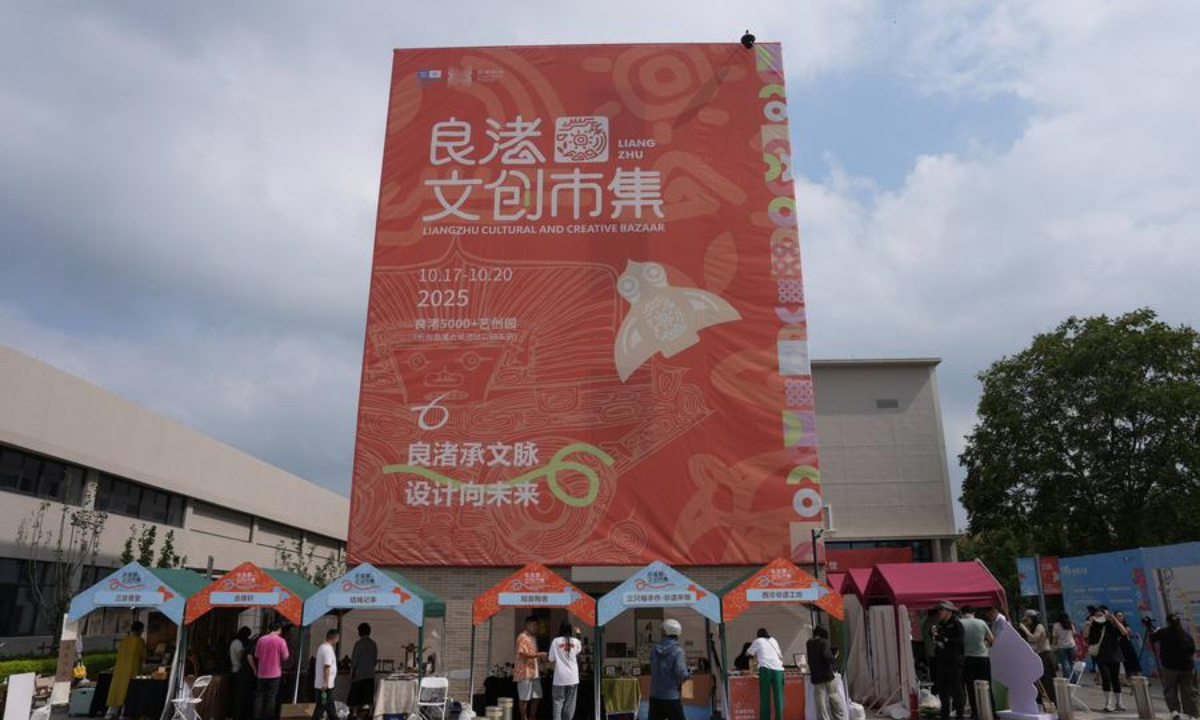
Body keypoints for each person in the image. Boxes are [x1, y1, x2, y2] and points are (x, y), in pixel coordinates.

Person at [1150, 613, 1198, 720]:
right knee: (1189, 691)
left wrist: (1153, 630)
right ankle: (1192, 714)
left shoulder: (1163, 632)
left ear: (1167, 622)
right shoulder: (1186, 635)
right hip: (1187, 668)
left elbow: (1152, 638)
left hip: (1170, 668)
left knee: (1170, 689)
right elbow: (1192, 650)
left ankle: (1175, 712)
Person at [1087, 606, 1129, 712]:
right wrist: (1088, 625)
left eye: (1101, 614)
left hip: (1114, 655)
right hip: (1101, 656)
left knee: (1115, 678)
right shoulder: (1094, 626)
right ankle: (1108, 702)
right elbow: (1085, 635)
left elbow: (1124, 632)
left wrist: (1113, 618)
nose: (1098, 617)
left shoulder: (1112, 624)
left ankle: (1119, 702)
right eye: (1096, 615)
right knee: (1106, 678)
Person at [649, 619, 690, 720]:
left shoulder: (654, 649)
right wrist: (688, 673)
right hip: (671, 696)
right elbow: (680, 673)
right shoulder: (678, 651)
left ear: (665, 631)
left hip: (655, 695)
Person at [106, 620, 147, 718]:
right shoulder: (139, 641)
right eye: (142, 630)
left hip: (119, 671)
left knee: (117, 691)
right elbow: (144, 655)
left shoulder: (123, 641)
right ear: (140, 630)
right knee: (128, 692)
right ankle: (124, 714)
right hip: (131, 671)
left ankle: (111, 713)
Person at [932, 600, 965, 720]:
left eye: (942, 609)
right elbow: (938, 641)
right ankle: (944, 715)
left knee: (956, 690)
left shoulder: (956, 624)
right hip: (942, 661)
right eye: (939, 609)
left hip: (954, 661)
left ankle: (960, 715)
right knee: (942, 690)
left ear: (949, 611)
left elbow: (960, 641)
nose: (940, 612)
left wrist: (945, 639)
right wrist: (935, 637)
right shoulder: (940, 624)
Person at [251, 620, 291, 720]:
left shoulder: (261, 640)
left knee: (259, 696)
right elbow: (286, 656)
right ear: (279, 629)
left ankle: (256, 716)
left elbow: (257, 655)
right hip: (275, 673)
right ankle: (268, 717)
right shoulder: (281, 641)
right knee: (271, 697)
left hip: (261, 673)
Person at [959, 608, 994, 720]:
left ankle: (975, 713)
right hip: (982, 658)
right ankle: (991, 711)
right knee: (987, 685)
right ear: (973, 613)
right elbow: (991, 639)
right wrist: (984, 644)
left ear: (962, 613)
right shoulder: (981, 622)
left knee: (970, 687)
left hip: (966, 659)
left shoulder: (959, 623)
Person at [1018, 610, 1056, 708]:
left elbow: (1034, 638)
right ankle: (1042, 703)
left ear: (1032, 618)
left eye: (1027, 620)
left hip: (1046, 656)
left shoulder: (1039, 626)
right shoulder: (1032, 628)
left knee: (1047, 681)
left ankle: (1052, 703)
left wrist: (1024, 629)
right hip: (1039, 656)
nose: (1026, 623)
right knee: (1040, 681)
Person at [807, 627, 845, 720]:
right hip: (827, 675)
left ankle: (824, 718)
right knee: (833, 696)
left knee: (820, 700)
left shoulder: (809, 643)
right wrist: (834, 656)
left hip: (816, 676)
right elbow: (827, 657)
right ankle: (839, 717)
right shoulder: (824, 642)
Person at [548, 622, 582, 720]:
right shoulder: (575, 641)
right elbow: (579, 650)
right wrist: (579, 634)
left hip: (559, 678)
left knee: (558, 702)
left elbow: (550, 658)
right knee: (570, 703)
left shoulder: (555, 641)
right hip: (573, 678)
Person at [515, 616, 547, 720]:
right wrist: (540, 654)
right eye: (534, 625)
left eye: (537, 625)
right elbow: (523, 654)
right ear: (528, 624)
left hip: (535, 672)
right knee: (524, 698)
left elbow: (534, 654)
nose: (536, 627)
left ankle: (532, 717)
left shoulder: (533, 638)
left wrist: (541, 660)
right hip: (525, 672)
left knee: (537, 696)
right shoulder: (522, 637)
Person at [749, 628, 785, 720]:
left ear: (758, 635)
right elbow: (780, 655)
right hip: (778, 670)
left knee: (765, 697)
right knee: (779, 697)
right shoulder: (774, 640)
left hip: (766, 669)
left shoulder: (758, 640)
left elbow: (748, 653)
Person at [349, 623, 379, 710]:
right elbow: (374, 660)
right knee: (369, 698)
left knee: (355, 697)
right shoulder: (373, 644)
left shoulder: (358, 644)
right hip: (370, 675)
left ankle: (355, 713)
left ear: (360, 632)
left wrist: (351, 674)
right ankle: (369, 714)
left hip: (359, 675)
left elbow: (354, 660)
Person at [312, 629, 340, 720]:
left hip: (326, 684)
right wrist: (326, 682)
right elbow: (327, 667)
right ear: (334, 638)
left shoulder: (323, 647)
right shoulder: (326, 649)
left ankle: (334, 718)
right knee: (321, 706)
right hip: (324, 685)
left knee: (329, 706)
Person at [231, 627, 254, 720]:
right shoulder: (238, 643)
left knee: (238, 697)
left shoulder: (236, 642)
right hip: (237, 671)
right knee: (239, 697)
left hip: (236, 670)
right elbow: (240, 657)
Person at [1112, 612, 1142, 677]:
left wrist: (1132, 634)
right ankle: (1127, 678)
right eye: (1119, 616)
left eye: (1122, 616)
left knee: (1134, 661)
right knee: (1125, 663)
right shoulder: (1113, 626)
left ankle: (1139, 678)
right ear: (1115, 617)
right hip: (1120, 647)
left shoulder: (1125, 625)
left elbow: (1128, 635)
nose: (1121, 617)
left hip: (1128, 645)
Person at [1051, 613, 1077, 679]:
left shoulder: (1056, 625)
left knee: (1065, 663)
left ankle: (1067, 679)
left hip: (1061, 646)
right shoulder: (1070, 624)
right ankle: (1074, 678)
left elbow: (1054, 637)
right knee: (1072, 662)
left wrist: (1053, 646)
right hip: (1072, 645)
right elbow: (1074, 633)